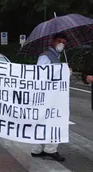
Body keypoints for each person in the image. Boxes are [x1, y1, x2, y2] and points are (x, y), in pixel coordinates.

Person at [31, 33, 67, 162]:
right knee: (53, 121)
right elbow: (41, 74)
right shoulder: (46, 56)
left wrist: (65, 71)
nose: (61, 44)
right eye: (59, 41)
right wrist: (62, 71)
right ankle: (50, 149)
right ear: (52, 41)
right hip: (47, 96)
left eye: (63, 42)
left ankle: (37, 149)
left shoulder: (56, 57)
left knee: (43, 122)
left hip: (51, 95)